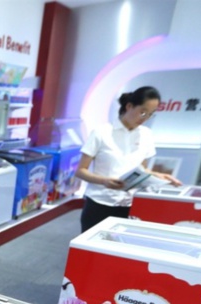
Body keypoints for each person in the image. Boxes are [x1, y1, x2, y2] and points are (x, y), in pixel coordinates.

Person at [76, 86, 182, 233]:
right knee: (92, 253)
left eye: (150, 114)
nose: (145, 118)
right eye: (143, 112)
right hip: (99, 203)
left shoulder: (147, 135)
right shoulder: (102, 132)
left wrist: (159, 176)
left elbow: (143, 170)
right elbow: (81, 171)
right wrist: (104, 181)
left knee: (118, 252)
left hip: (129, 205)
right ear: (129, 106)